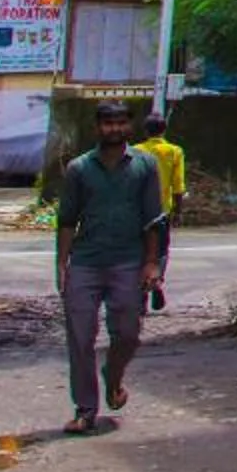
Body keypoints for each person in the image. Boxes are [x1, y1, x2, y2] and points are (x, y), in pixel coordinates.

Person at [55, 100, 163, 435]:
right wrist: (62, 264)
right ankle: (86, 409)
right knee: (80, 337)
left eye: (120, 123)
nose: (113, 129)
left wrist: (151, 263)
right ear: (97, 127)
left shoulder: (145, 166)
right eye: (107, 124)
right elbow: (67, 221)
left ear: (129, 126)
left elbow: (155, 220)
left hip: (128, 263)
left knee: (128, 334)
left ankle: (113, 378)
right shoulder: (79, 169)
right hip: (86, 262)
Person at [133, 113, 188, 312]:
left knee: (139, 252)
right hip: (162, 212)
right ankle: (156, 282)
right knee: (161, 252)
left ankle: (141, 292)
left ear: (145, 131)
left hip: (138, 212)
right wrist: (178, 211)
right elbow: (179, 185)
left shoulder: (136, 151)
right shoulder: (174, 151)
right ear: (163, 130)